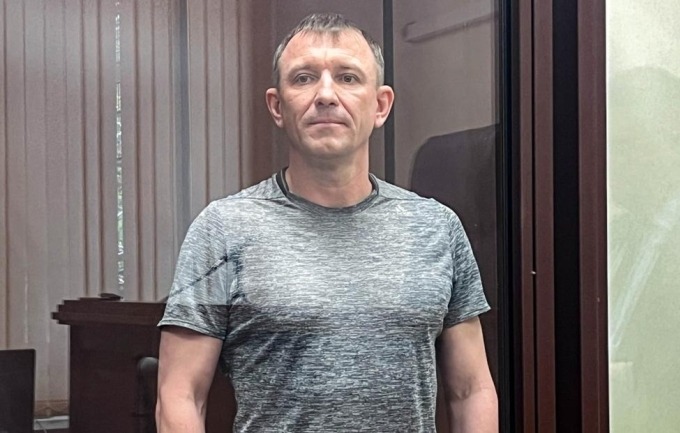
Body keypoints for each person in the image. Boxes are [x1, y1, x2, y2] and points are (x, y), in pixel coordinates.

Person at [156, 12, 498, 433]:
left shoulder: (437, 228)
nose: (325, 95)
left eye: (348, 77)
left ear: (380, 105)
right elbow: (180, 394)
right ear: (277, 106)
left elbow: (471, 390)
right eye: (303, 78)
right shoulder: (223, 229)